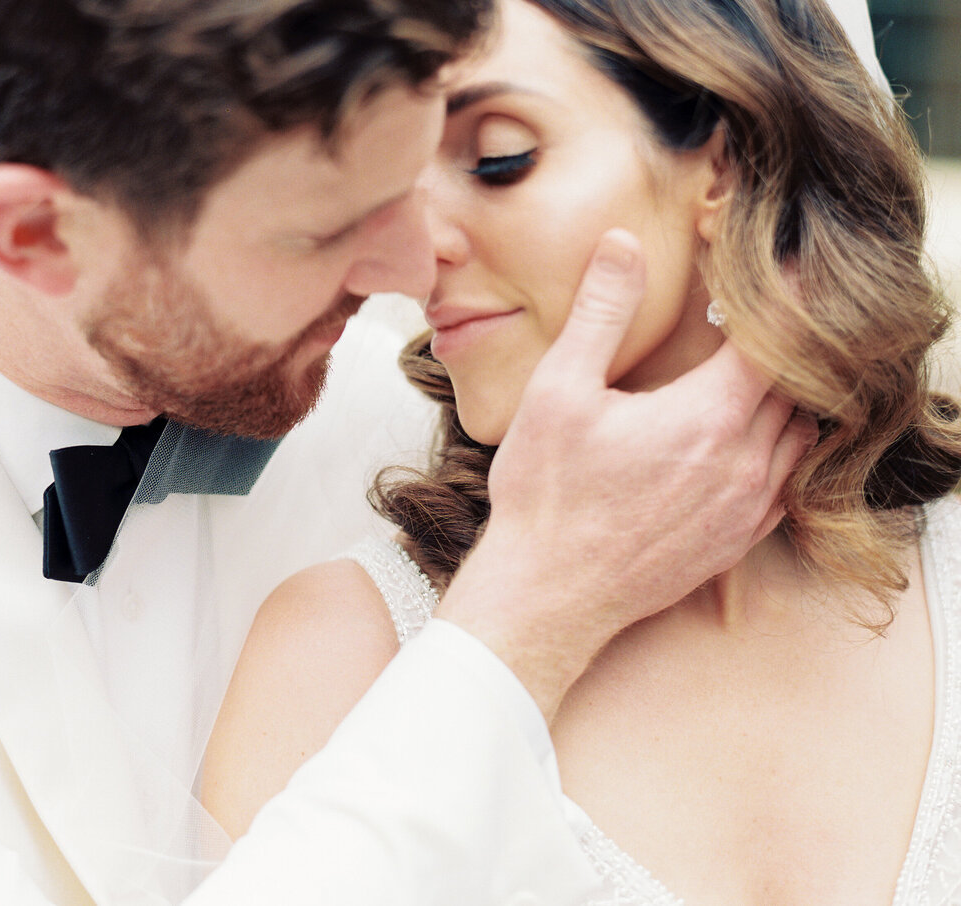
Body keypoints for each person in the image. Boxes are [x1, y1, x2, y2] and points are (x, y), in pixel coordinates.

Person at [0, 1, 874, 904]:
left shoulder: (447, 400)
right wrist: (530, 612)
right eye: (325, 226)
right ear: (41, 235)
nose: (411, 271)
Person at [202, 0, 961, 903]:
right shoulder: (342, 653)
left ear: (723, 163)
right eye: (392, 186)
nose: (413, 256)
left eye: (496, 159)